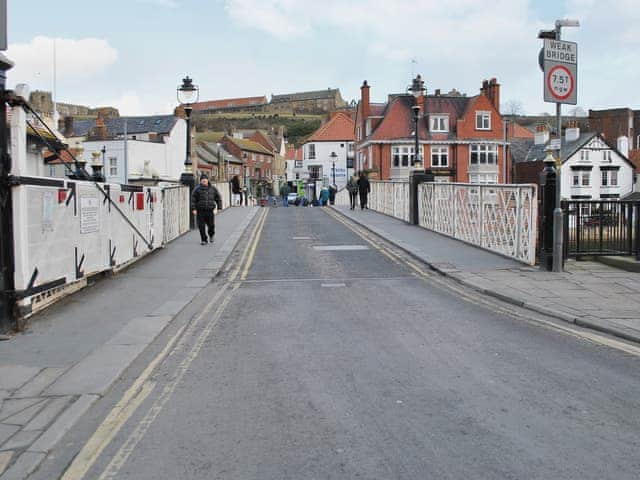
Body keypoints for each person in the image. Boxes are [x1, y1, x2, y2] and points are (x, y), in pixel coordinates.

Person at [191, 174, 222, 245]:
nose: (204, 181)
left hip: (210, 210)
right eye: (203, 180)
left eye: (205, 180)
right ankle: (203, 239)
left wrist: (219, 207)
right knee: (201, 226)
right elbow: (193, 199)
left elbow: (218, 198)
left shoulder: (213, 189)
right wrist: (194, 209)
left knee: (211, 225)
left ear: (208, 180)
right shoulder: (197, 189)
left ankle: (211, 235)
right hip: (200, 210)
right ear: (200, 181)